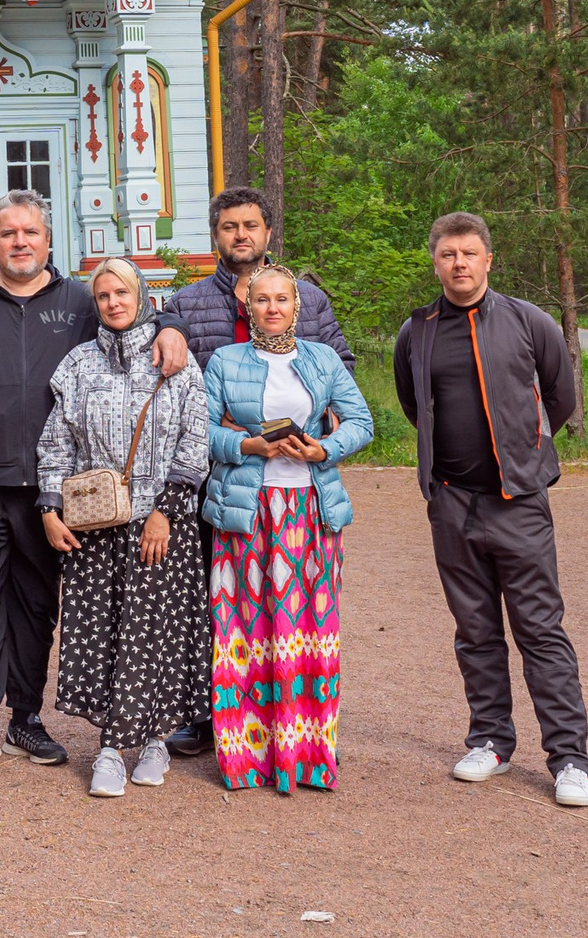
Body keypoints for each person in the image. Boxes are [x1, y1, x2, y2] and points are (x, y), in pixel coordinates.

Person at [0, 190, 190, 775]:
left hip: (57, 492)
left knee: (38, 605)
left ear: (48, 239)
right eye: (8, 233)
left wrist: (170, 324)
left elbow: (131, 309)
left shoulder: (79, 300)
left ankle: (25, 717)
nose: (20, 242)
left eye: (31, 233)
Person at [391, 211, 588, 808]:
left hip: (519, 502)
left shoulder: (528, 321)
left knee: (540, 629)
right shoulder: (418, 331)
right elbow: (413, 403)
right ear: (436, 261)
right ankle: (490, 740)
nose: (459, 264)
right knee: (475, 631)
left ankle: (569, 759)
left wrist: (522, 454)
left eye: (469, 254)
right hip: (452, 504)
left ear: (488, 260)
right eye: (448, 255)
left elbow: (560, 395)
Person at [156, 186, 356, 759]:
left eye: (251, 226)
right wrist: (165, 322)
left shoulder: (308, 299)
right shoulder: (190, 304)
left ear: (268, 234)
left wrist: (325, 442)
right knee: (208, 599)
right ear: (215, 236)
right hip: (209, 471)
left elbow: (337, 366)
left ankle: (292, 718)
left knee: (288, 607)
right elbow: (167, 365)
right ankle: (204, 714)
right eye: (229, 227)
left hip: (295, 473)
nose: (240, 235)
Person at [36, 259, 211, 798]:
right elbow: (57, 440)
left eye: (123, 292)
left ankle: (151, 739)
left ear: (142, 296)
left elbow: (194, 439)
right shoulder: (77, 365)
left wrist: (167, 510)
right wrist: (49, 506)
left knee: (157, 634)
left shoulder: (173, 361)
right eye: (104, 295)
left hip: (160, 525)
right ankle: (111, 747)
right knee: (102, 634)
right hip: (95, 525)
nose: (114, 302)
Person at [202, 264, 374, 794]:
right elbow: (199, 430)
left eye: (282, 299)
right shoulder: (225, 361)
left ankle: (307, 755)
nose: (272, 308)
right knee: (243, 630)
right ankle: (246, 757)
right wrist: (247, 445)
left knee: (309, 633)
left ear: (297, 307)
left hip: (311, 513)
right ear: (247, 307)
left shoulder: (322, 360)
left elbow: (362, 422)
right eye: (261, 300)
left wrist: (324, 448)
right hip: (247, 510)